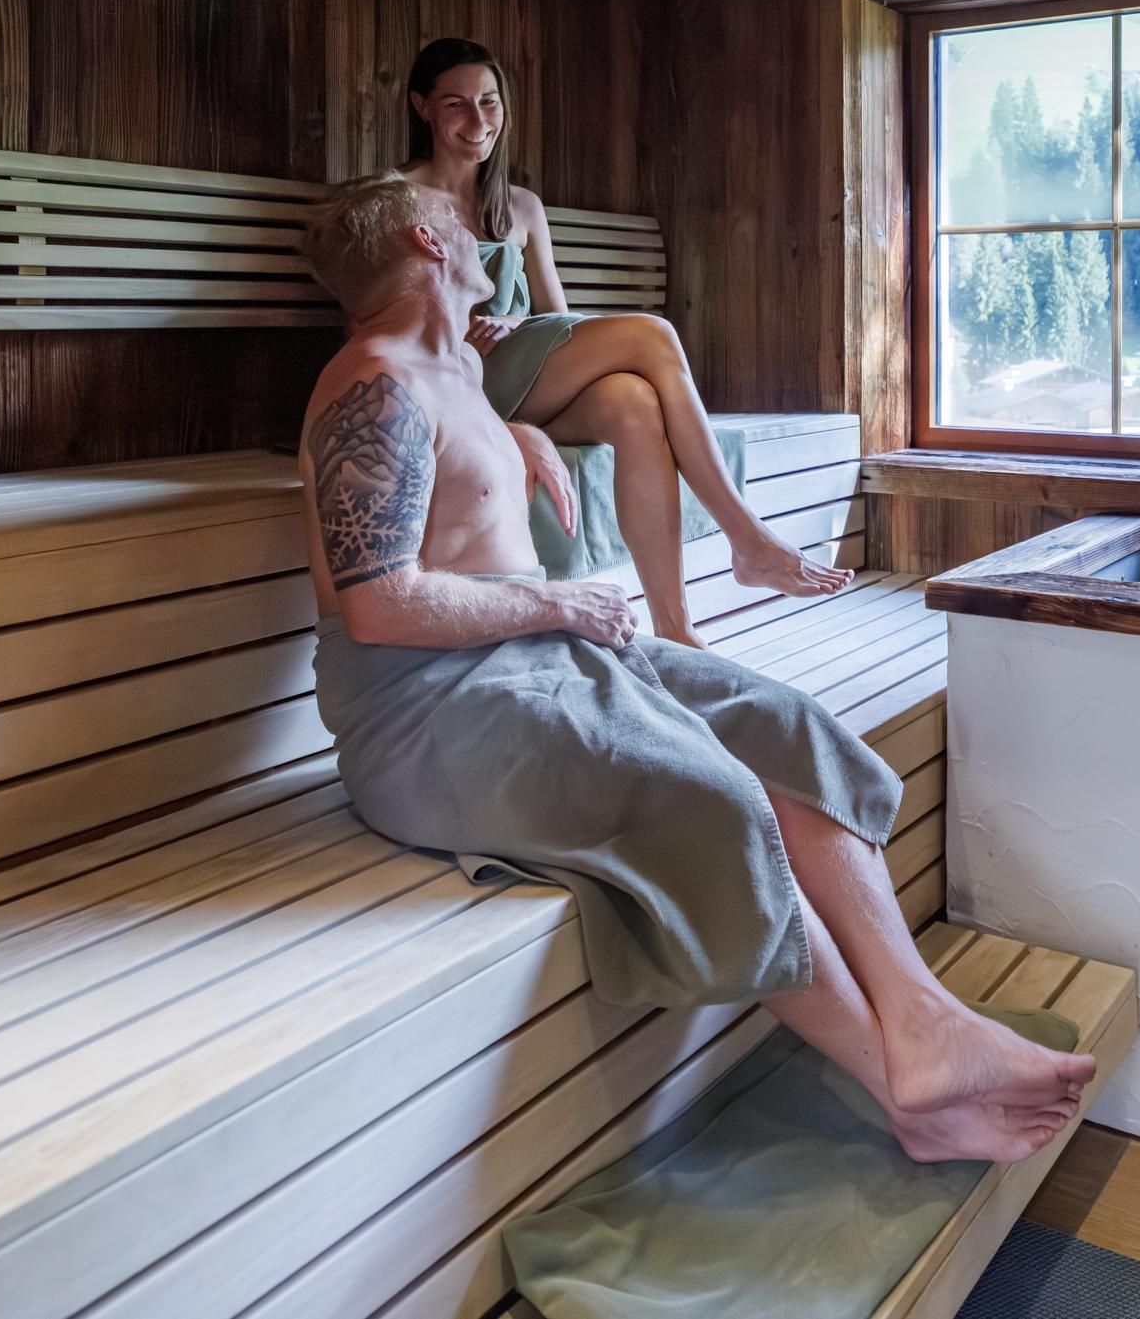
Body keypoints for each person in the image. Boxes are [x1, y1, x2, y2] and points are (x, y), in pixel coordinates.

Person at [293, 172, 1093, 1163]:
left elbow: (453, 463)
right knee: (714, 791)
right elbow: (377, 602)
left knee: (784, 725)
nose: (476, 232)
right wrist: (557, 599)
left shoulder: (447, 367)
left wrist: (520, 431)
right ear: (424, 240)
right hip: (432, 717)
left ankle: (925, 1016)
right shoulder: (372, 385)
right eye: (458, 221)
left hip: (534, 661)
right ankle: (902, 1089)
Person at [398, 36, 853, 645]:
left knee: (634, 404)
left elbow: (559, 321)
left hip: (521, 374)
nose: (478, 121)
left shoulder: (522, 209)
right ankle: (747, 537)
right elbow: (378, 333)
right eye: (456, 104)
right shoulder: (396, 199)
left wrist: (516, 327)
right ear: (422, 107)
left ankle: (676, 628)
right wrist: (463, 333)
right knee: (653, 333)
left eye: (490, 101)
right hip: (454, 386)